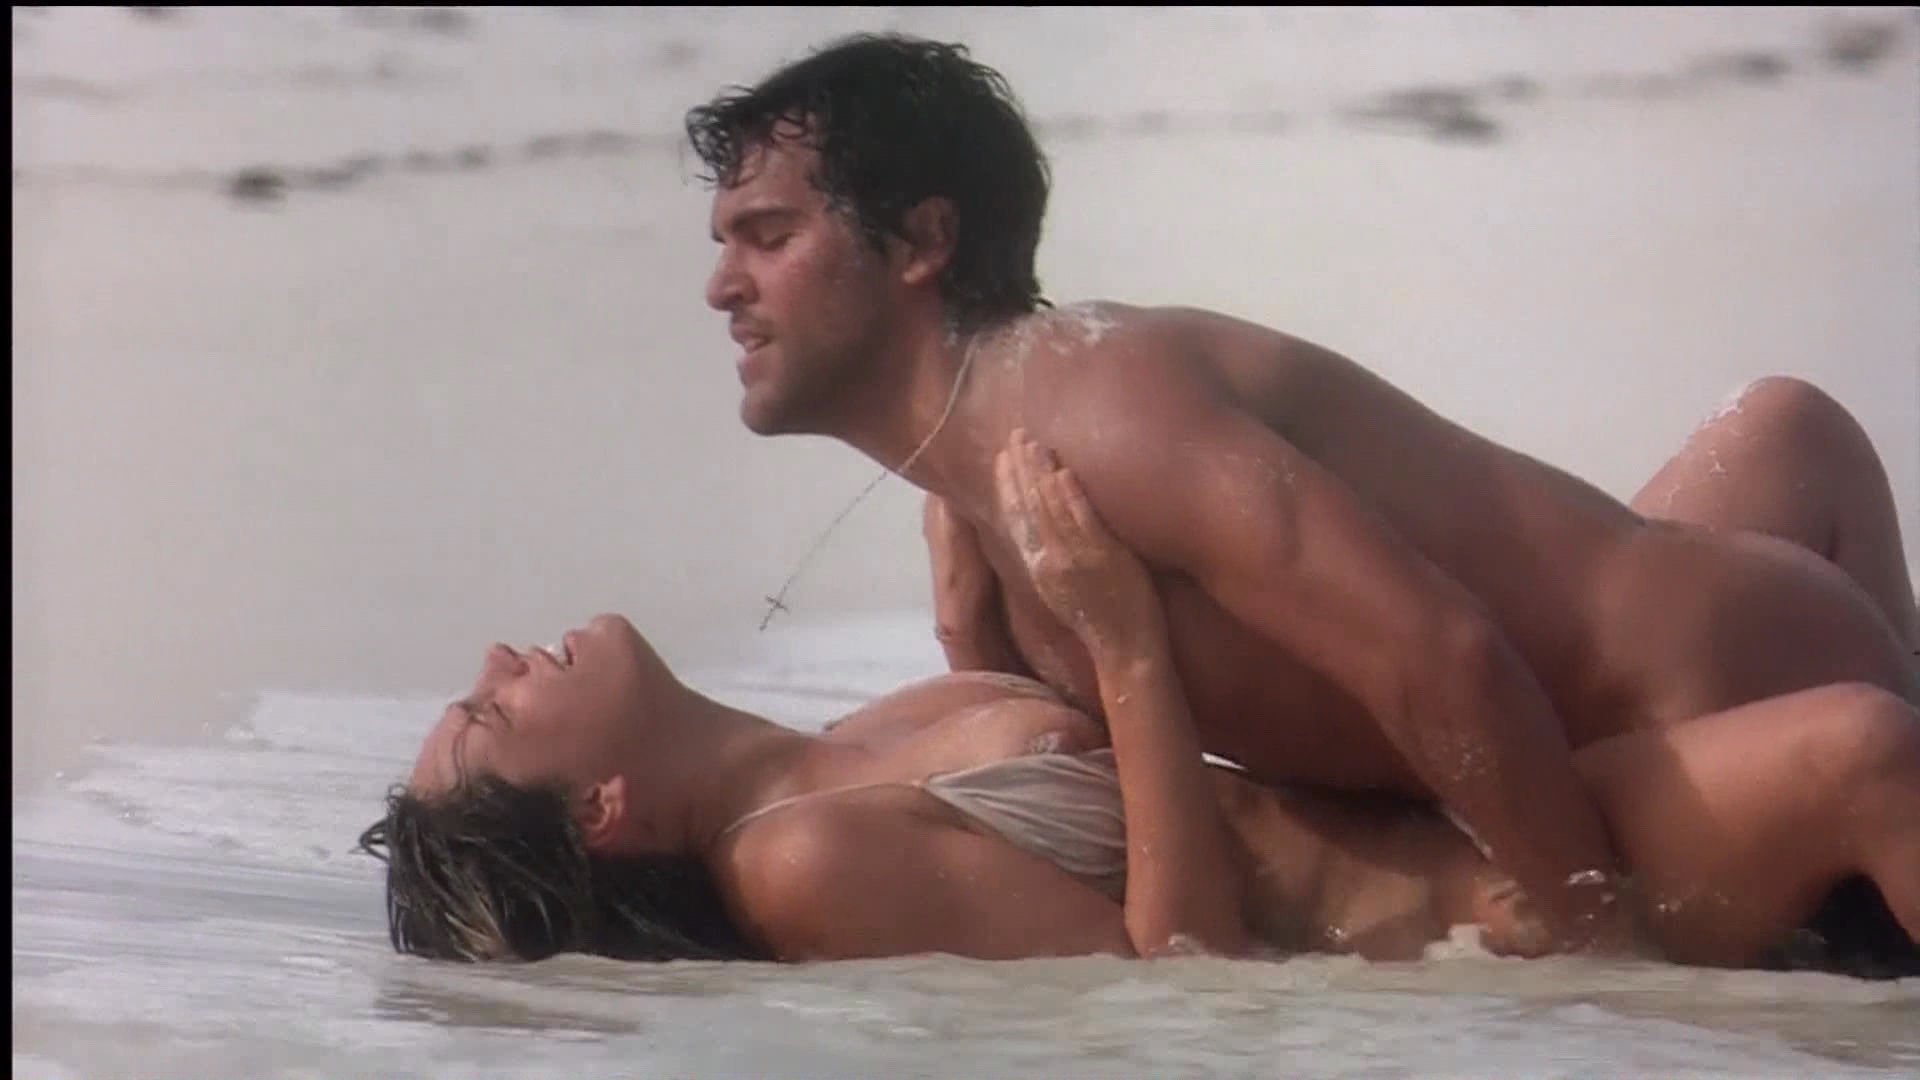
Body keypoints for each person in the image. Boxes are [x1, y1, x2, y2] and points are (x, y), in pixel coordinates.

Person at [684, 32, 1919, 950]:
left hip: (1695, 705)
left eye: (769, 238)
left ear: (921, 244)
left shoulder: (1095, 403)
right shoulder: (980, 500)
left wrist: (1600, 957)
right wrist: (977, 635)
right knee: (1782, 428)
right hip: (1586, 739)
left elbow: (1442, 656)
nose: (722, 288)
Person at [356, 436, 1920, 976]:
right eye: (489, 716)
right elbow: (1175, 975)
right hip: (1468, 884)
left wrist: (977, 579)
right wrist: (1127, 644)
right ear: (600, 814)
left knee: (1793, 446)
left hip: (1473, 767)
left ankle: (1868, 946)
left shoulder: (849, 742)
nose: (498, 659)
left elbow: (1050, 788)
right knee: (1866, 750)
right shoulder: (800, 860)